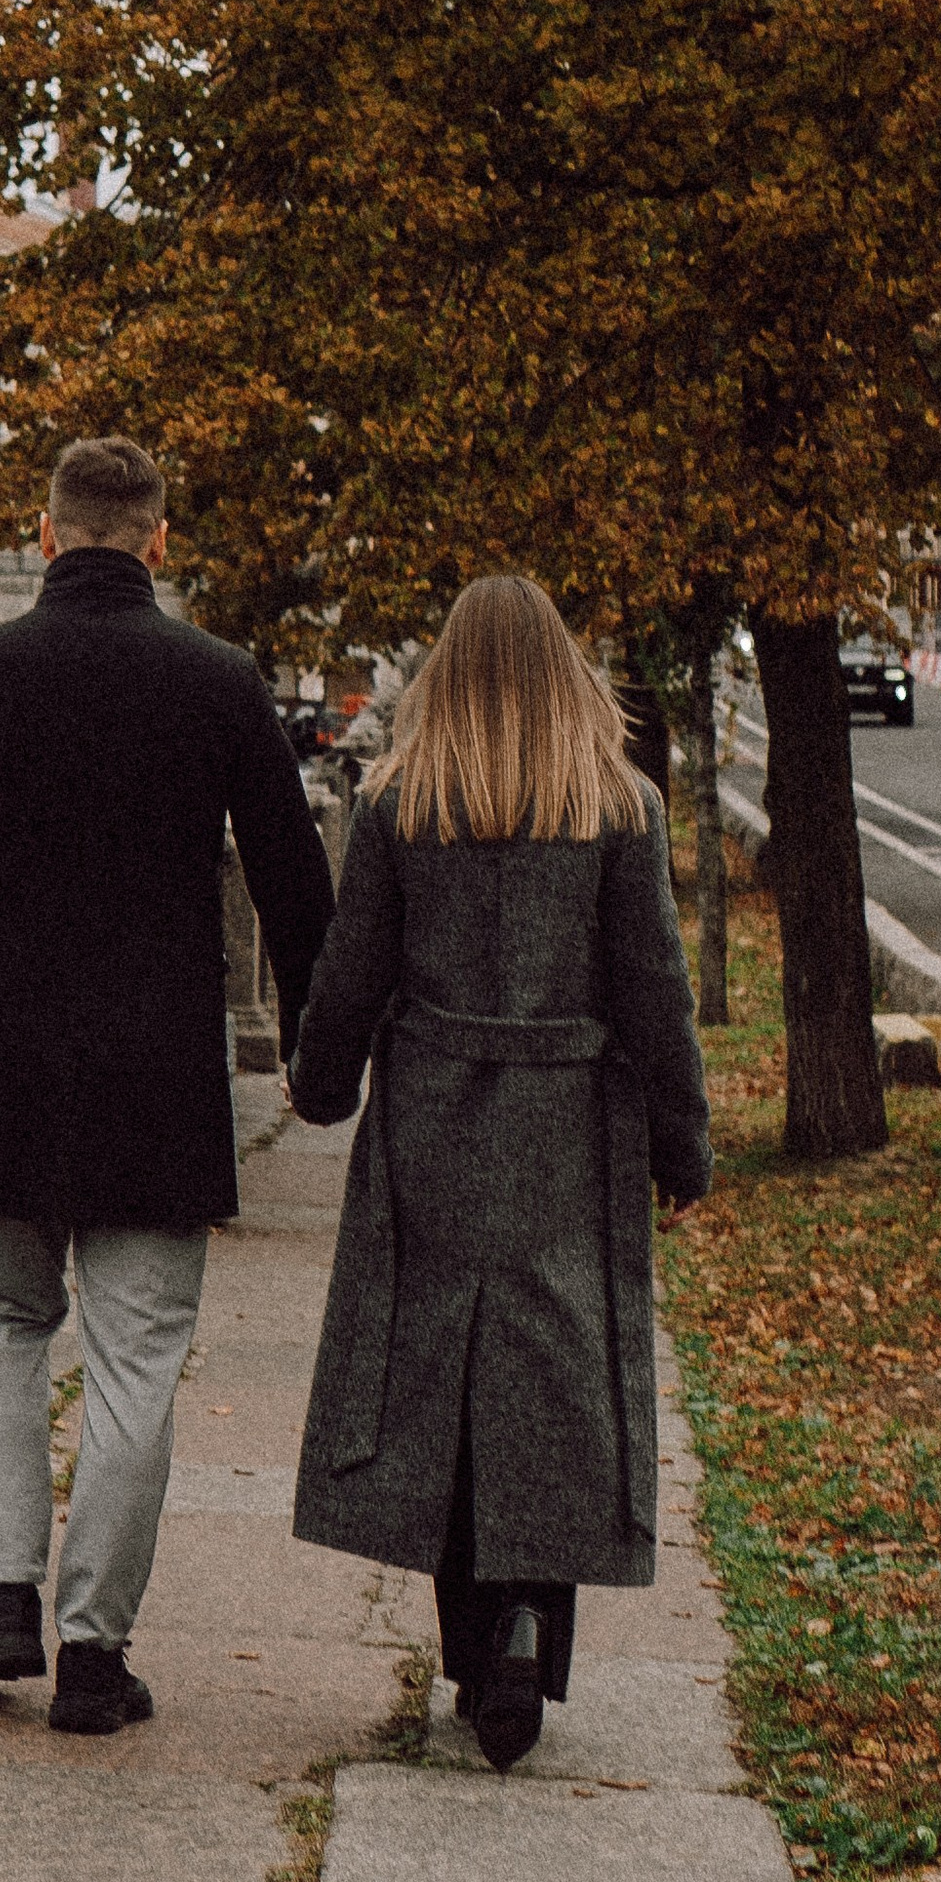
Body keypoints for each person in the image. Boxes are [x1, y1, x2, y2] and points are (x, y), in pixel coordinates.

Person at [0, 435, 336, 1735]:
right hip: (159, 1067)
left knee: (2, 1326)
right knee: (136, 1363)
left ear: (45, 533)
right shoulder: (221, 683)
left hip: (3, 1056)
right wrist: (317, 1054)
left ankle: (5, 1595)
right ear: (159, 542)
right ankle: (93, 1653)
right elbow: (297, 889)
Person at [286, 570, 711, 1771]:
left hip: (430, 1118)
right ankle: (527, 1623)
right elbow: (656, 998)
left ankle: (476, 1648)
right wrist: (683, 1148)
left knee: (437, 1378)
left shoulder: (399, 807)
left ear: (445, 678)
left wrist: (322, 1089)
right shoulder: (615, 810)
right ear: (566, 674)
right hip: (569, 1125)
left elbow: (348, 973)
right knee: (555, 1376)